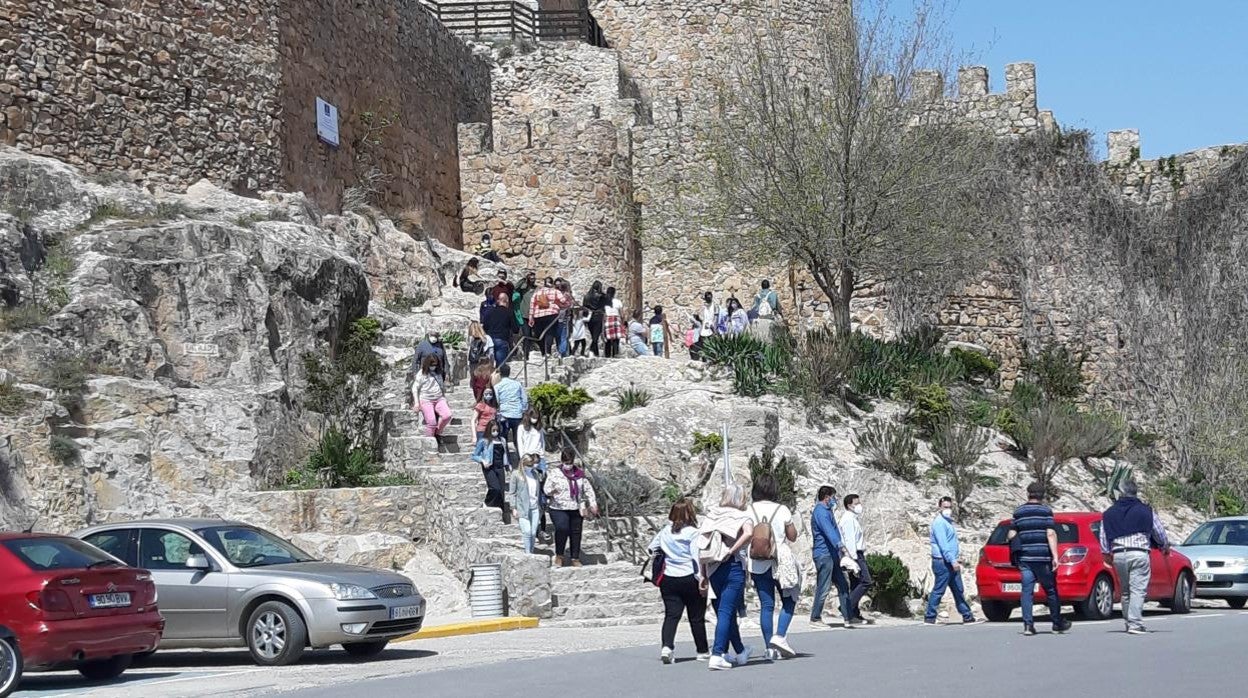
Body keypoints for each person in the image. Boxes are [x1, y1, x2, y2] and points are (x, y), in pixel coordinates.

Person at [1099, 480, 1169, 635]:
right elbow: (1159, 532)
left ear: (1121, 493)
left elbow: (1103, 537)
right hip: (1138, 552)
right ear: (1136, 492)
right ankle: (1135, 624)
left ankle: (1129, 621)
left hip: (1118, 555)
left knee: (1125, 591)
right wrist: (1164, 546)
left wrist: (1106, 553)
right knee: (1138, 590)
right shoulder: (1146, 511)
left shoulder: (1109, 513)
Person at [698, 483, 754, 671]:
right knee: (726, 612)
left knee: (725, 612)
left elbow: (702, 545)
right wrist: (732, 550)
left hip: (713, 568)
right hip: (732, 566)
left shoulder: (712, 515)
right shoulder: (742, 515)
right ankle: (718, 654)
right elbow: (749, 533)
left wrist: (703, 574)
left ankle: (740, 652)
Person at [648, 499, 709, 664]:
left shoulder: (665, 531)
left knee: (671, 615)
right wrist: (701, 578)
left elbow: (651, 547)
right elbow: (696, 557)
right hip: (689, 576)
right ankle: (702, 650)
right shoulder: (692, 533)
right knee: (696, 617)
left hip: (668, 577)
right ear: (690, 513)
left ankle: (667, 647)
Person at [747, 475, 799, 660]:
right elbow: (792, 536)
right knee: (790, 599)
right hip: (780, 562)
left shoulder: (749, 510)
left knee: (766, 606)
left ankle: (769, 647)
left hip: (758, 563)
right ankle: (780, 636)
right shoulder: (782, 509)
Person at [1010, 482, 1072, 636]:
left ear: (1028, 493)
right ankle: (1057, 623)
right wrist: (1055, 556)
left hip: (1025, 558)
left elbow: (1011, 534)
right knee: (1050, 590)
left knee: (1027, 592)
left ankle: (1028, 626)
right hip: (1042, 557)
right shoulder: (1045, 511)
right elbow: (1050, 533)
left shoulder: (1019, 512)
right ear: (1042, 495)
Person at [924, 497, 981, 625]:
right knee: (939, 589)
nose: (947, 509)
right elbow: (944, 545)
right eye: (945, 507)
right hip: (943, 562)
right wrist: (952, 560)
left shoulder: (948, 522)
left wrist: (955, 559)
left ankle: (967, 616)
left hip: (950, 561)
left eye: (949, 507)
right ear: (940, 507)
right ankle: (930, 616)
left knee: (958, 589)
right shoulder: (939, 523)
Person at [544, 448, 598, 567]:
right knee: (562, 528)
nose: (567, 465)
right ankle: (559, 555)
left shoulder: (579, 474)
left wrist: (593, 503)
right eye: (565, 462)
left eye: (569, 462)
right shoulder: (555, 473)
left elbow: (588, 489)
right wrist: (553, 491)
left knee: (576, 532)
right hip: (558, 507)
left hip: (575, 507)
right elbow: (546, 489)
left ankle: (575, 557)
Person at [810, 485, 851, 627]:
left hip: (832, 554)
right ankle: (815, 618)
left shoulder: (827, 511)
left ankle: (848, 616)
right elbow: (829, 531)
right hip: (824, 554)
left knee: (843, 584)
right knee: (824, 586)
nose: (834, 500)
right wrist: (841, 546)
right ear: (827, 497)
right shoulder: (820, 512)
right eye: (833, 497)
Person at [839, 493, 871, 626]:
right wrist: (853, 559)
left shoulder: (853, 518)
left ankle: (853, 614)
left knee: (855, 584)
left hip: (857, 554)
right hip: (855, 555)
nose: (859, 506)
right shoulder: (848, 519)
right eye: (856, 503)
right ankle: (846, 606)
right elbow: (849, 540)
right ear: (849, 505)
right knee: (866, 581)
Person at [471, 421, 510, 524]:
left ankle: (501, 515)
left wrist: (507, 465)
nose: (495, 432)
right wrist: (483, 460)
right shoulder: (484, 441)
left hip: (500, 467)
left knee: (501, 492)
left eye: (497, 430)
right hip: (489, 467)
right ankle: (487, 503)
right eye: (493, 430)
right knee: (494, 487)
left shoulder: (502, 440)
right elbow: (474, 455)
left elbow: (505, 455)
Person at [411, 355, 452, 438]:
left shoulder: (439, 372)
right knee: (431, 422)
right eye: (431, 365)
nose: (433, 367)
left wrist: (444, 398)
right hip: (426, 399)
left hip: (439, 398)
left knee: (447, 415)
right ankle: (430, 440)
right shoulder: (422, 373)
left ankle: (437, 433)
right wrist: (416, 403)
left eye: (435, 365)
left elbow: (441, 385)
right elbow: (415, 387)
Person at [509, 455, 544, 554]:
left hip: (534, 507)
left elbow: (538, 491)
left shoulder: (535, 474)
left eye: (532, 464)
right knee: (527, 531)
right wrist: (513, 507)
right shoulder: (516, 474)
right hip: (522, 507)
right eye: (528, 464)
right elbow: (512, 492)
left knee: (533, 532)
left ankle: (531, 551)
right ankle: (527, 552)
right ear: (523, 464)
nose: (531, 466)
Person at [406, 331, 447, 402]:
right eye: (432, 335)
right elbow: (415, 360)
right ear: (428, 335)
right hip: (425, 374)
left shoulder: (440, 345)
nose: (434, 338)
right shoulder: (422, 345)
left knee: (438, 394)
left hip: (438, 374)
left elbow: (445, 360)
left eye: (436, 336)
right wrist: (415, 373)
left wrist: (447, 373)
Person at [493, 364, 528, 444]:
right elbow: (524, 399)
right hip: (517, 414)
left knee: (503, 438)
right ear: (509, 373)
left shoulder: (497, 386)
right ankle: (520, 455)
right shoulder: (517, 384)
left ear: (500, 374)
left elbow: (497, 400)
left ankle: (506, 455)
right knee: (518, 439)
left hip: (504, 414)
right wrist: (523, 410)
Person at [529, 277, 564, 357]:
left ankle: (543, 352)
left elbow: (532, 305)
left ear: (544, 283)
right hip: (552, 314)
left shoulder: (537, 293)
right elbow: (563, 301)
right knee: (550, 333)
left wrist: (531, 317)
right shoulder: (555, 291)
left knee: (540, 334)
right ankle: (548, 352)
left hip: (538, 315)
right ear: (552, 283)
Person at [483, 293, 519, 367]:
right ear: (507, 301)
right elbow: (515, 328)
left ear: (498, 301)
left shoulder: (490, 311)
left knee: (488, 366)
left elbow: (485, 325)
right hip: (502, 339)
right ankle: (499, 377)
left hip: (490, 340)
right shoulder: (509, 312)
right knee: (500, 366)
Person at [516, 271, 539, 358]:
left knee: (539, 334)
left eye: (534, 278)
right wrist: (524, 279)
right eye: (531, 278)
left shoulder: (537, 289)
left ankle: (542, 351)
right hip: (525, 315)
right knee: (527, 335)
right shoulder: (524, 289)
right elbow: (516, 287)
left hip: (536, 315)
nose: (532, 280)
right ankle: (526, 354)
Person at [582, 281, 607, 356]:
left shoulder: (587, 296)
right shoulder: (602, 296)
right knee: (596, 336)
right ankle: (591, 350)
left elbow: (584, 307)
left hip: (589, 317)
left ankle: (595, 353)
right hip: (598, 316)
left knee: (593, 334)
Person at [602, 286, 625, 358]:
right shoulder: (618, 302)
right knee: (616, 339)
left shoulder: (604, 302)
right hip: (616, 319)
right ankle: (615, 353)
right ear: (614, 293)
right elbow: (622, 314)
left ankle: (607, 355)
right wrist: (623, 323)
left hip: (608, 319)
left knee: (608, 339)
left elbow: (603, 313)